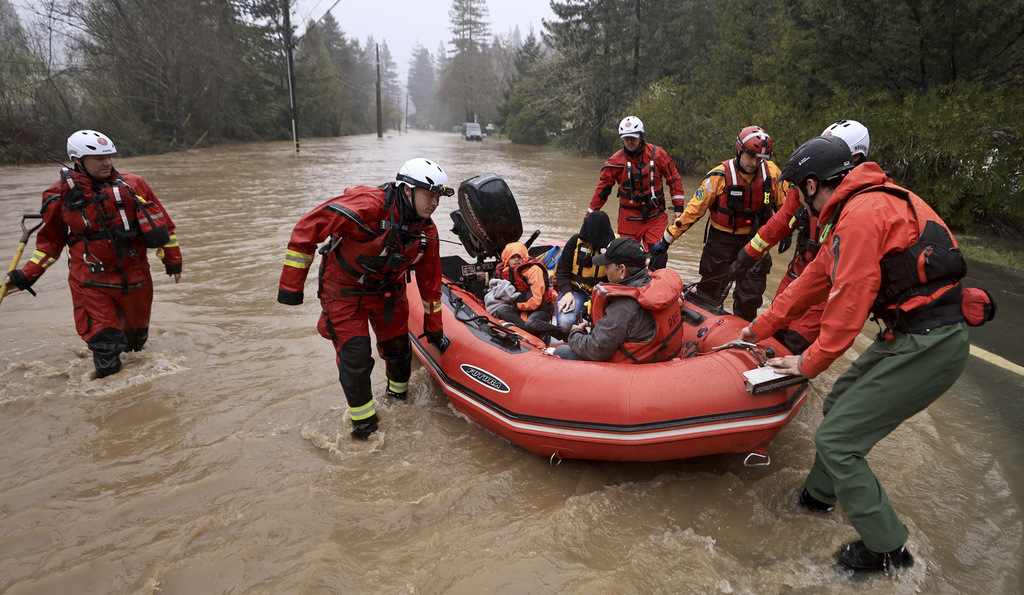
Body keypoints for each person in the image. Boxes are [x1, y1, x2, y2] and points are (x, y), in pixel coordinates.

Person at [735, 135, 975, 572]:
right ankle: (818, 497)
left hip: (930, 341)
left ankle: (886, 550)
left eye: (796, 190)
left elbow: (845, 314)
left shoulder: (862, 216)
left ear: (811, 185)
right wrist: (756, 329)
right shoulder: (859, 209)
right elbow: (811, 281)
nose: (796, 201)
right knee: (839, 398)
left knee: (838, 440)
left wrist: (805, 363)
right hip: (910, 335)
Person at [277, 158, 451, 440]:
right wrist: (291, 288)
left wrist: (435, 328)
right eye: (429, 196)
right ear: (407, 190)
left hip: (388, 292)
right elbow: (307, 228)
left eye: (437, 198)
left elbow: (430, 284)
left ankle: (397, 402)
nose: (434, 204)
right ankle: (365, 428)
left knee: (399, 351)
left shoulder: (426, 232)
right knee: (356, 357)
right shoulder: (367, 206)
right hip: (343, 291)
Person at [2, 130, 182, 378]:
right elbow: (50, 243)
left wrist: (173, 261)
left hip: (135, 278)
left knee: (136, 347)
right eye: (98, 158)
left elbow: (165, 226)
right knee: (106, 349)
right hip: (90, 282)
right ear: (78, 160)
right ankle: (111, 405)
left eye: (109, 156)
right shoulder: (58, 196)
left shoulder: (135, 185)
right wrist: (26, 276)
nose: (107, 162)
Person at [726, 120, 871, 353]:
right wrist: (746, 256)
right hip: (798, 272)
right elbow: (778, 224)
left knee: (793, 342)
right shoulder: (806, 186)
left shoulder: (859, 206)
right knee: (771, 330)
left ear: (853, 158)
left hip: (825, 285)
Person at [649, 126, 787, 321]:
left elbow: (786, 206)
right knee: (709, 293)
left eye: (760, 158)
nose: (755, 163)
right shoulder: (719, 176)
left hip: (755, 241)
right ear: (739, 151)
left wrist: (787, 231)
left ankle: (743, 334)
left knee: (750, 297)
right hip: (721, 243)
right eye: (751, 156)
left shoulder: (771, 173)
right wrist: (666, 240)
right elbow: (692, 212)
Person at [555, 238, 683, 363]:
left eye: (607, 266)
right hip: (662, 353)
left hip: (637, 367)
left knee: (561, 352)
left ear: (622, 270)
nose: (605, 271)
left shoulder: (622, 306)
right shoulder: (653, 283)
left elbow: (596, 349)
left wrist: (575, 333)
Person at [587, 116, 687, 249]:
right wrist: (589, 216)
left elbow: (674, 179)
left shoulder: (658, 154)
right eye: (626, 138)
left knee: (657, 255)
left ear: (641, 135)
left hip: (655, 215)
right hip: (628, 217)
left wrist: (678, 208)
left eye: (633, 137)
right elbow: (602, 191)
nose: (629, 141)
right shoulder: (615, 162)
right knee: (626, 256)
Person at [553, 210, 616, 335]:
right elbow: (562, 271)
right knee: (565, 324)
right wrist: (567, 292)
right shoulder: (575, 242)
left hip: (603, 293)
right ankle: (577, 332)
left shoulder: (614, 246)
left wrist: (611, 257)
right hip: (576, 290)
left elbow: (622, 275)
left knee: (610, 328)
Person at [491, 241, 561, 341]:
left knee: (531, 323)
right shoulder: (503, 271)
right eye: (512, 257)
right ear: (506, 260)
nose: (516, 260)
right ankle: (532, 334)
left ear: (524, 257)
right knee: (501, 310)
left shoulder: (534, 270)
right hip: (520, 307)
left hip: (540, 307)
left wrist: (514, 303)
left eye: (519, 257)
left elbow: (536, 300)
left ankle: (560, 334)